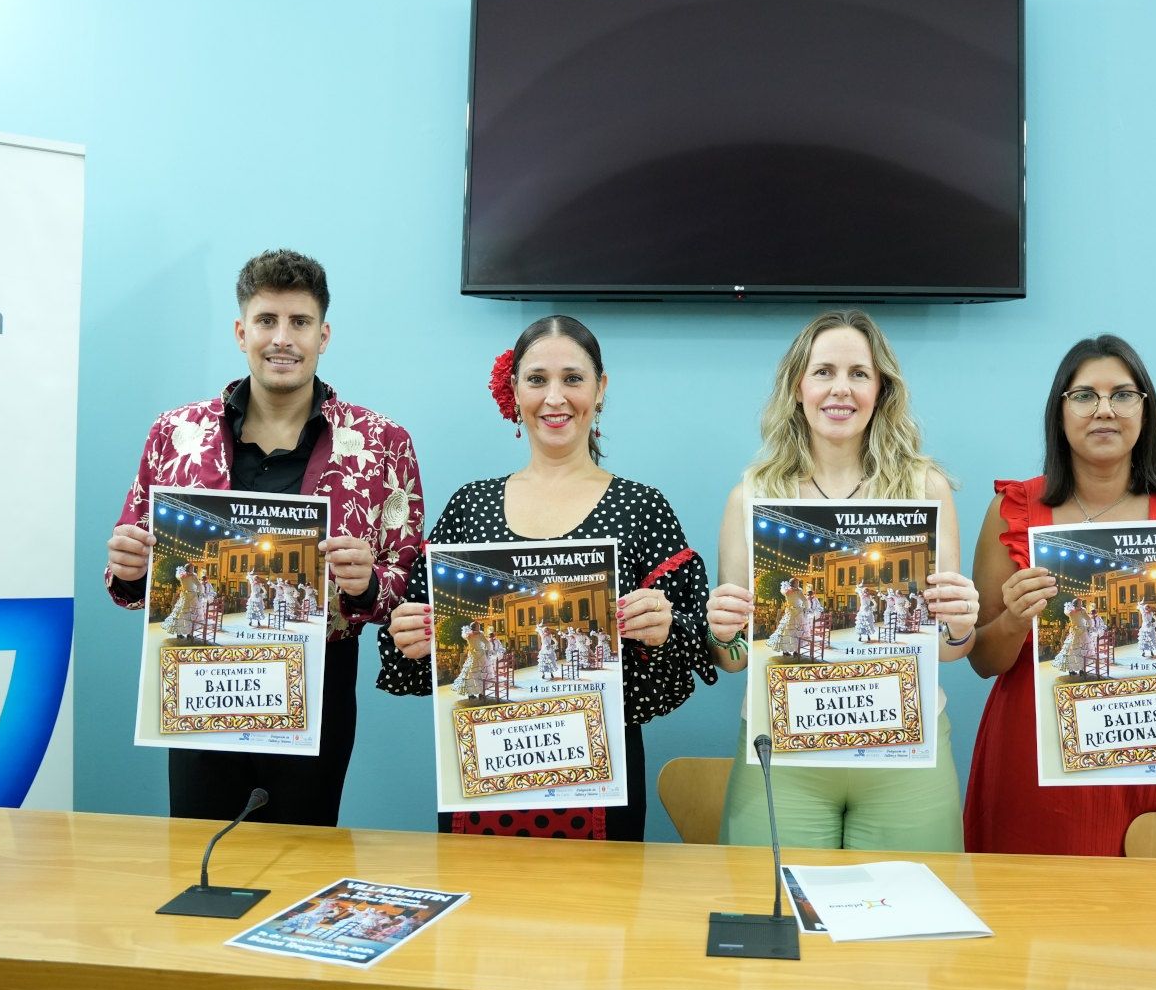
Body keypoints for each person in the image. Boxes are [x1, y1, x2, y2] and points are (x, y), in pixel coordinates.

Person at [104, 249, 424, 827]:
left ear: (323, 335)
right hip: (200, 678)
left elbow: (406, 578)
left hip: (318, 688)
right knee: (198, 858)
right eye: (267, 321)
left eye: (299, 322)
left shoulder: (383, 443)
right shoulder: (174, 434)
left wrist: (367, 582)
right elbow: (134, 572)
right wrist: (129, 567)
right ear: (240, 331)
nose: (283, 338)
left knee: (303, 861)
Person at [379, 314, 716, 842]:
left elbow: (701, 638)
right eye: (537, 379)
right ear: (513, 391)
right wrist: (409, 635)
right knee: (480, 918)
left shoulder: (641, 507)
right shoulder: (471, 506)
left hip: (598, 782)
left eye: (573, 379)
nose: (555, 397)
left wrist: (666, 626)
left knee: (601, 919)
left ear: (600, 389)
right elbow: (421, 655)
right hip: (484, 773)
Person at [707, 309, 979, 852]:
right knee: (770, 921)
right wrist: (722, 630)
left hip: (905, 749)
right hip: (783, 748)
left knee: (913, 927)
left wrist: (960, 624)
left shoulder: (925, 489)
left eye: (859, 373)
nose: (841, 388)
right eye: (823, 371)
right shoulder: (751, 495)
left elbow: (951, 650)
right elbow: (734, 657)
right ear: (797, 387)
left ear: (881, 389)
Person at [964, 334, 1156, 856]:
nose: (1104, 410)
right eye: (1085, 395)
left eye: (1122, 394)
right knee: (1037, 922)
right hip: (1040, 754)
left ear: (1145, 408)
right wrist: (1013, 621)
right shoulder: (1013, 508)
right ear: (1060, 411)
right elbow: (982, 660)